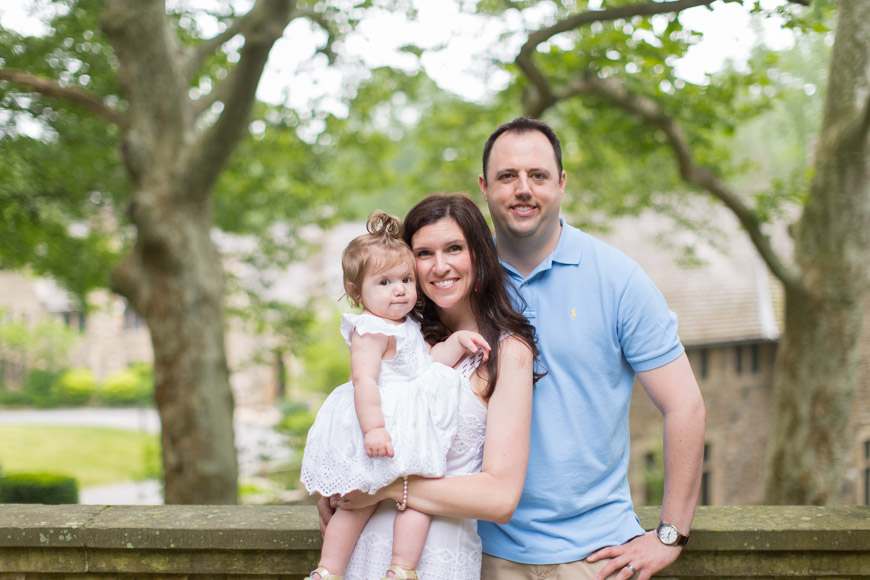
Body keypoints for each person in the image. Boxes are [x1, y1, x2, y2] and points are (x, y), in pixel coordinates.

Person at [475, 117, 706, 580]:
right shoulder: (461, 281)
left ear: (560, 183)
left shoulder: (618, 279)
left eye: (537, 175)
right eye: (507, 176)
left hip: (597, 558)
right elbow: (397, 386)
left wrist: (670, 533)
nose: (523, 189)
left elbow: (685, 405)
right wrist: (349, 483)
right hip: (480, 550)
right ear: (484, 187)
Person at [323, 194, 540, 580]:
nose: (440, 266)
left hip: (436, 555)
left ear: (479, 255)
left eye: (454, 248)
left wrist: (382, 490)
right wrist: (336, 481)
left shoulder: (507, 352)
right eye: (424, 253)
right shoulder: (397, 336)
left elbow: (500, 498)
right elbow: (360, 420)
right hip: (362, 551)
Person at [300, 210, 492, 580]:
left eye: (405, 279)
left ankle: (402, 568)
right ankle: (328, 570)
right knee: (355, 506)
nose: (400, 289)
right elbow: (364, 382)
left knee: (419, 501)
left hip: (411, 434)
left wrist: (456, 342)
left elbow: (426, 366)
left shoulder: (410, 325)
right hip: (383, 429)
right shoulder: (370, 329)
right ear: (358, 292)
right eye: (385, 282)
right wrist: (373, 429)